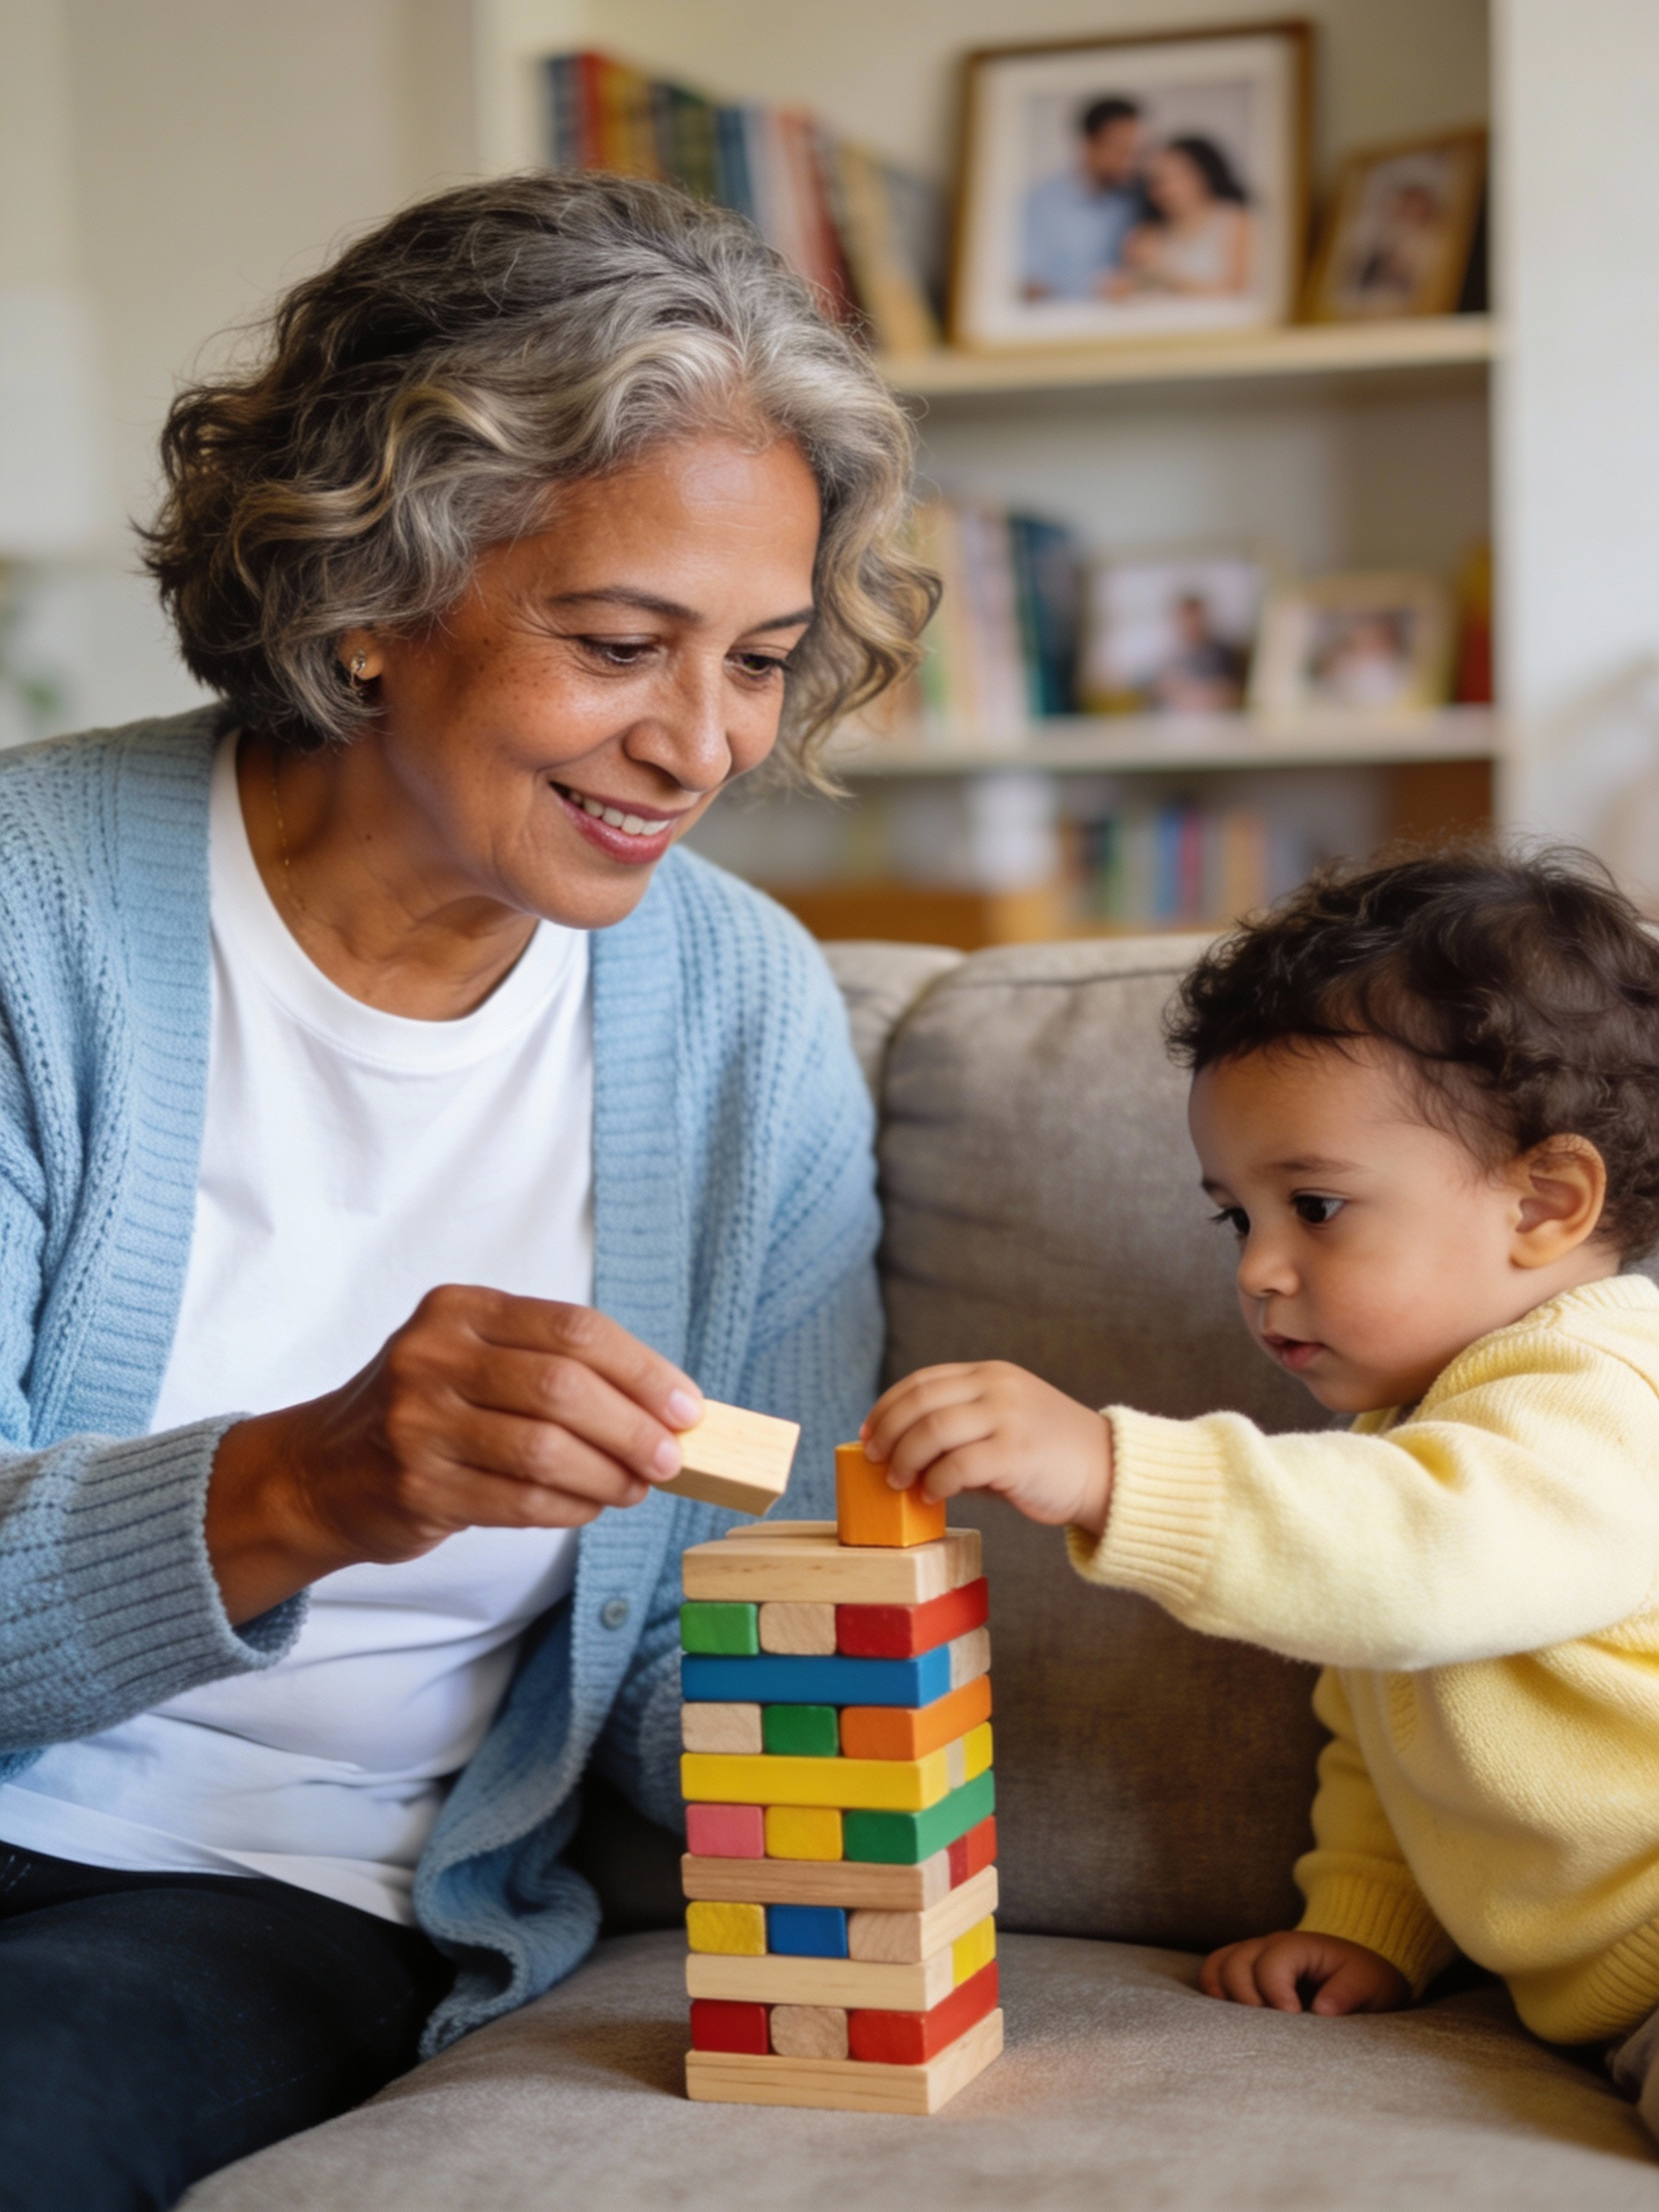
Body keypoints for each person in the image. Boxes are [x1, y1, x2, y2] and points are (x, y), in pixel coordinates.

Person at [0, 170, 935, 2209]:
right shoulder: (27, 919)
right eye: (621, 643)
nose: (701, 744)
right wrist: (314, 1478)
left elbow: (737, 1632)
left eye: (761, 658)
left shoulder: (740, 1013)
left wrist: (915, 1642)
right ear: (364, 589)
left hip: (269, 1892)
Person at [862, 847, 1659, 2143]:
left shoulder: (1598, 1393)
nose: (1263, 1271)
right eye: (1238, 1217)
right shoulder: (1415, 1431)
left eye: (1319, 1207)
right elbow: (1385, 1720)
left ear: (1547, 1200)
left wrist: (1114, 1470)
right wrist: (1365, 1921)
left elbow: (1416, 1567)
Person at [1020, 94, 1147, 302]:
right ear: (1089, 144)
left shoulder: (1139, 196)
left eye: (1136, 152)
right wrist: (1095, 290)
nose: (1130, 163)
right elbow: (1030, 285)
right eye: (1121, 151)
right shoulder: (1040, 202)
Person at [1111, 134, 1253, 300]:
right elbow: (1138, 290)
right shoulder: (1148, 234)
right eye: (1158, 181)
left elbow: (1237, 292)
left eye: (1178, 176)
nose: (1168, 189)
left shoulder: (1235, 220)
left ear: (1204, 174)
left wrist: (1162, 275)